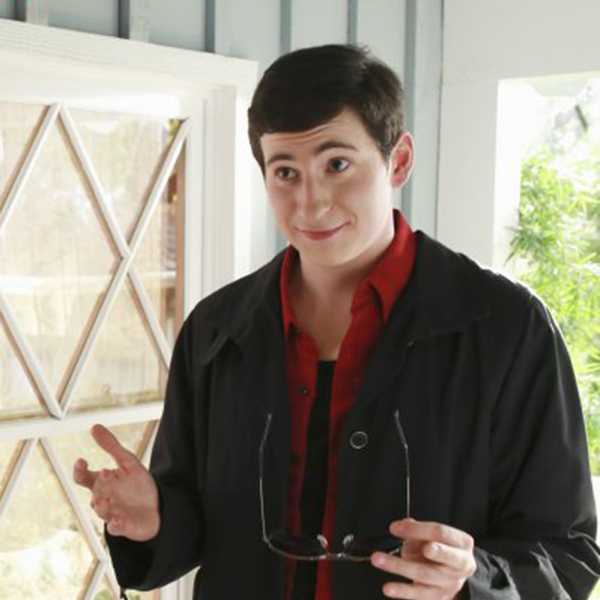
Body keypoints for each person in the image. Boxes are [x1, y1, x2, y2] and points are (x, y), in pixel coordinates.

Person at [73, 44, 600, 600]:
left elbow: (568, 553)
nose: (311, 203)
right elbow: (202, 529)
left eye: (337, 165)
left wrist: (473, 580)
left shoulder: (509, 328)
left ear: (398, 161)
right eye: (285, 172)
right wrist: (153, 521)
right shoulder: (215, 330)